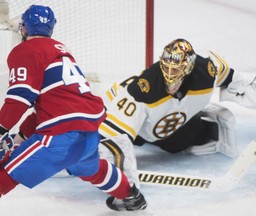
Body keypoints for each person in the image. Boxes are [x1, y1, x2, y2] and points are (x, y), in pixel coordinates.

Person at [0, 5, 147, 215]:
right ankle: (131, 195)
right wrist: (18, 139)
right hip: (88, 133)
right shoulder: (62, 52)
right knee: (92, 168)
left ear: (24, 29)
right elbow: (47, 110)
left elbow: (20, 97)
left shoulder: (26, 50)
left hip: (59, 138)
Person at [95, 38, 256, 186]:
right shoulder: (141, 92)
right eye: (166, 68)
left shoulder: (207, 69)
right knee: (101, 149)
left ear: (190, 66)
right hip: (118, 114)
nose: (170, 76)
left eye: (176, 70)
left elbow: (237, 80)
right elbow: (112, 140)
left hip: (163, 123)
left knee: (182, 143)